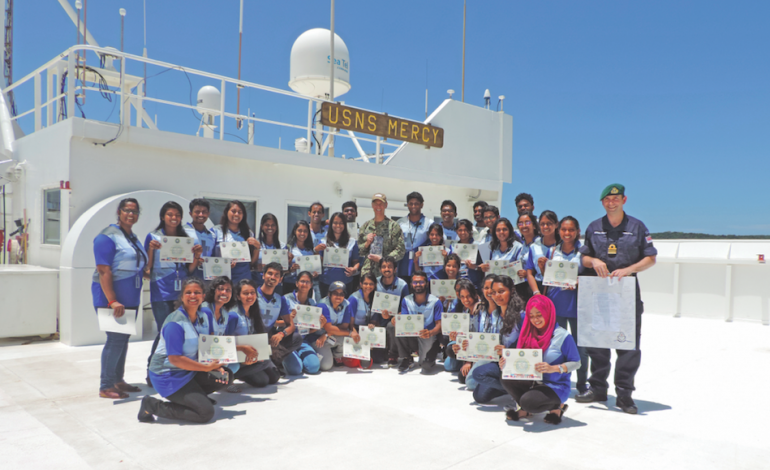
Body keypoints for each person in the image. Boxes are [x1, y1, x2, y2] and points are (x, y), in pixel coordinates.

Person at [576, 184, 657, 414]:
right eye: (607, 199)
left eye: (616, 199)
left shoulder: (637, 227)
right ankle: (598, 389)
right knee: (598, 344)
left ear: (624, 200)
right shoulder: (594, 227)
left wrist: (629, 269)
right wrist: (595, 262)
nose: (611, 203)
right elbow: (584, 258)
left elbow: (651, 258)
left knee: (628, 345)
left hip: (626, 294)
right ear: (602, 202)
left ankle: (624, 395)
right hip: (600, 294)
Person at [139, 278, 230, 423]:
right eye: (188, 293)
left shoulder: (205, 314)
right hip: (167, 374)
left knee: (225, 376)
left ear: (203, 296)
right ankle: (152, 405)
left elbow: (210, 343)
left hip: (189, 369)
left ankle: (194, 398)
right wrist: (206, 368)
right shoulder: (175, 323)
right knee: (205, 413)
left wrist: (216, 364)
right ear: (182, 297)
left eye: (197, 292)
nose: (193, 296)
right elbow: (175, 359)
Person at [93, 198, 148, 399]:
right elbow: (103, 269)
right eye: (127, 210)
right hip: (112, 299)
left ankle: (117, 380)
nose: (131, 214)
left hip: (130, 297)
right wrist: (112, 300)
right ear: (119, 211)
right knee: (115, 340)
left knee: (122, 340)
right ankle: (106, 386)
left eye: (135, 211)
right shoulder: (107, 236)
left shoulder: (132, 237)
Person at [144, 201, 203, 384]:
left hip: (181, 293)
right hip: (161, 292)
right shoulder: (153, 237)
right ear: (163, 217)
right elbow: (147, 269)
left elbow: (190, 270)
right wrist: (152, 250)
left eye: (177, 215)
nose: (174, 218)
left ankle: (175, 370)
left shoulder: (185, 239)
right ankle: (152, 370)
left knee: (180, 332)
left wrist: (196, 257)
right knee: (165, 331)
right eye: (170, 214)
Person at [501, 295, 581, 425]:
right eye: (531, 316)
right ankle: (525, 410)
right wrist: (506, 363)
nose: (535, 320)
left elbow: (576, 362)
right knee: (506, 378)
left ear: (548, 312)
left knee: (529, 402)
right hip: (533, 381)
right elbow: (520, 359)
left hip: (555, 385)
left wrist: (554, 368)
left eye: (539, 315)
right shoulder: (527, 332)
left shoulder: (562, 336)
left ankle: (557, 406)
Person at [543, 216, 589, 393]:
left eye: (571, 229)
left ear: (577, 231)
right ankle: (559, 381)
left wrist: (578, 281)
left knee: (580, 348)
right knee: (557, 346)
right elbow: (546, 279)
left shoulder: (583, 253)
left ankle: (582, 384)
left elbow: (590, 276)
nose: (567, 233)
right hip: (557, 306)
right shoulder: (553, 252)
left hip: (577, 305)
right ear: (559, 231)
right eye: (563, 229)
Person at [471, 275, 526, 404]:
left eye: (501, 291)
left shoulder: (521, 315)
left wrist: (508, 351)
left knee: (478, 373)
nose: (497, 296)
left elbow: (527, 344)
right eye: (494, 292)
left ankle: (519, 390)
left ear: (512, 291)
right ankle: (509, 388)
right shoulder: (496, 314)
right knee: (479, 396)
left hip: (516, 362)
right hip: (499, 362)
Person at [225, 279, 281, 388]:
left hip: (250, 355)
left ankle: (247, 370)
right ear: (238, 296)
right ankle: (231, 377)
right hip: (236, 357)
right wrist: (242, 359)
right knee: (262, 381)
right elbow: (224, 342)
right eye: (245, 293)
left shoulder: (253, 311)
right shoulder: (233, 315)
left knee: (274, 377)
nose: (250, 296)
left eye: (252, 293)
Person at [258, 262, 304, 376]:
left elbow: (291, 325)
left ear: (280, 279)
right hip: (254, 337)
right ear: (263, 275)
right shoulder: (252, 294)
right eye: (270, 273)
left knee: (297, 338)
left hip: (270, 337)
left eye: (276, 275)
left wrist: (281, 334)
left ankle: (274, 360)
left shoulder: (280, 299)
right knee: (267, 378)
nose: (273, 277)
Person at [393, 271, 443, 373]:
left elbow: (440, 325)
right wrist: (396, 319)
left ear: (427, 283)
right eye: (415, 282)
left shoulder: (435, 301)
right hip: (413, 335)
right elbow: (404, 321)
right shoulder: (406, 300)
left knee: (425, 366)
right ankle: (406, 358)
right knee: (392, 326)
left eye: (421, 282)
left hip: (428, 335)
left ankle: (432, 353)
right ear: (411, 284)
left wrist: (430, 333)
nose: (418, 285)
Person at [310, 281, 360, 370]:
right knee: (326, 366)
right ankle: (315, 352)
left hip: (327, 336)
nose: (338, 296)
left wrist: (327, 334)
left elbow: (344, 326)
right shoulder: (323, 305)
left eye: (341, 294)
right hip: (317, 338)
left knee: (350, 337)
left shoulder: (347, 304)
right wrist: (348, 332)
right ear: (329, 294)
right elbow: (328, 328)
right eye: (335, 293)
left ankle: (336, 355)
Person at [283, 271, 324, 374]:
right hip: (288, 339)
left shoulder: (312, 303)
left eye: (307, 282)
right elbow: (277, 322)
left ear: (311, 285)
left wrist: (320, 325)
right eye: (302, 281)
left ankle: (299, 358)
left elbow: (309, 330)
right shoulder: (286, 299)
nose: (304, 284)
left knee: (314, 367)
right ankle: (284, 359)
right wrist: (289, 319)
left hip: (302, 341)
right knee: (295, 370)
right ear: (297, 283)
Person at [211, 200, 260, 284]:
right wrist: (225, 265)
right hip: (222, 277)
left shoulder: (248, 233)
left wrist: (257, 248)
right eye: (233, 211)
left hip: (243, 278)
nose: (236, 214)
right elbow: (211, 256)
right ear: (226, 212)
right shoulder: (216, 231)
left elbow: (251, 262)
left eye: (240, 212)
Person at [358, 193, 406, 278]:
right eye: (375, 204)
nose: (378, 206)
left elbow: (400, 250)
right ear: (372, 205)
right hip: (368, 273)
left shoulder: (394, 226)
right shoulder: (365, 227)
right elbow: (358, 251)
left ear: (386, 205)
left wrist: (383, 260)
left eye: (381, 204)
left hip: (386, 274)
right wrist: (367, 243)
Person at [376, 256, 410, 366]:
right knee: (377, 358)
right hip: (377, 318)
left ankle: (393, 354)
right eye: (384, 267)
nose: (387, 269)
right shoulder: (375, 283)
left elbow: (407, 305)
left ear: (395, 269)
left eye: (390, 267)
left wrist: (397, 316)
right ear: (380, 269)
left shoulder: (402, 285)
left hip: (394, 319)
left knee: (392, 325)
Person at [443, 279, 482, 374]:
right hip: (466, 345)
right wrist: (457, 340)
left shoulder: (481, 310)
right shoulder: (465, 310)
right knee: (449, 364)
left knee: (467, 380)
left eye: (468, 296)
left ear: (475, 294)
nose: (465, 300)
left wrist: (469, 361)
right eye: (462, 297)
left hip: (479, 347)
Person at [319, 212, 360, 297]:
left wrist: (354, 269)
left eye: (341, 223)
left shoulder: (352, 242)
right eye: (335, 223)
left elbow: (356, 262)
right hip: (326, 282)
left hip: (345, 282)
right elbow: (320, 262)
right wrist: (316, 251)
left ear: (345, 225)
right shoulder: (323, 241)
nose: (338, 225)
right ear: (331, 224)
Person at [349, 273, 386, 365]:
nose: (368, 286)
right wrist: (355, 334)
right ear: (361, 284)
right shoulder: (354, 298)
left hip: (366, 330)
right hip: (354, 329)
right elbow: (350, 323)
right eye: (365, 283)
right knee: (363, 360)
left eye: (371, 284)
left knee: (379, 359)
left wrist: (372, 325)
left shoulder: (376, 298)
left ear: (375, 285)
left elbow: (374, 319)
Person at [396, 191, 431, 283]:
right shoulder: (400, 222)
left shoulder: (429, 223)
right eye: (411, 204)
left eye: (416, 204)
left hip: (420, 262)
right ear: (407, 205)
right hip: (403, 262)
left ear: (422, 205)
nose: (413, 206)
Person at [525, 210, 559, 297]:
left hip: (558, 289)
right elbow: (530, 273)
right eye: (542, 224)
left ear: (556, 225)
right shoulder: (534, 247)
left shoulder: (563, 246)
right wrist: (536, 292)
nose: (545, 226)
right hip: (539, 287)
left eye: (549, 223)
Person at [285, 220, 321, 301]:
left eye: (305, 231)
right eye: (300, 231)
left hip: (306, 286)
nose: (302, 234)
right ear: (295, 231)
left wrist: (314, 274)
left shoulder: (311, 250)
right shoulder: (288, 248)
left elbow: (315, 268)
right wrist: (291, 269)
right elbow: (283, 269)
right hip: (290, 283)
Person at [253, 213, 289, 291]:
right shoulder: (256, 244)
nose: (270, 227)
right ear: (262, 226)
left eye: (273, 225)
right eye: (267, 225)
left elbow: (285, 269)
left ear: (276, 227)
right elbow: (250, 265)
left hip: (276, 286)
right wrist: (256, 267)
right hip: (259, 283)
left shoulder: (282, 246)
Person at [183, 198, 214, 281]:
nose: (201, 215)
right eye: (197, 212)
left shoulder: (212, 235)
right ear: (190, 213)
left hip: (208, 277)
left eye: (204, 212)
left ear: (208, 214)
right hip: (188, 277)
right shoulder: (183, 231)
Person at [514, 212, 540, 302]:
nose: (524, 226)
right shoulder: (523, 246)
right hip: (523, 288)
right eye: (520, 223)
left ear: (534, 226)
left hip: (537, 288)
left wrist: (529, 274)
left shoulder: (540, 244)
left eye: (527, 222)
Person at [453, 219, 484, 288]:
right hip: (458, 284)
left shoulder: (478, 246)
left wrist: (475, 267)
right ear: (456, 231)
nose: (463, 232)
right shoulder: (453, 247)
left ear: (470, 232)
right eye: (460, 230)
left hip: (474, 285)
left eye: (466, 230)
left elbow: (484, 267)